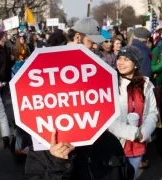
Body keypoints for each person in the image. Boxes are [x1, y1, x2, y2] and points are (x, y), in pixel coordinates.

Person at [24, 17, 135, 180]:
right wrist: (57, 163)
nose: (95, 47)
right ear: (77, 38)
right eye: (91, 42)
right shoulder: (49, 66)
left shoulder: (108, 142)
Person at [108, 46, 158, 179]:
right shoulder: (110, 83)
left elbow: (153, 112)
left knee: (131, 176)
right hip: (115, 146)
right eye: (119, 58)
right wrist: (131, 133)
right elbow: (106, 117)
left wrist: (144, 132)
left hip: (138, 145)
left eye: (126, 59)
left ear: (135, 64)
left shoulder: (145, 84)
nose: (121, 63)